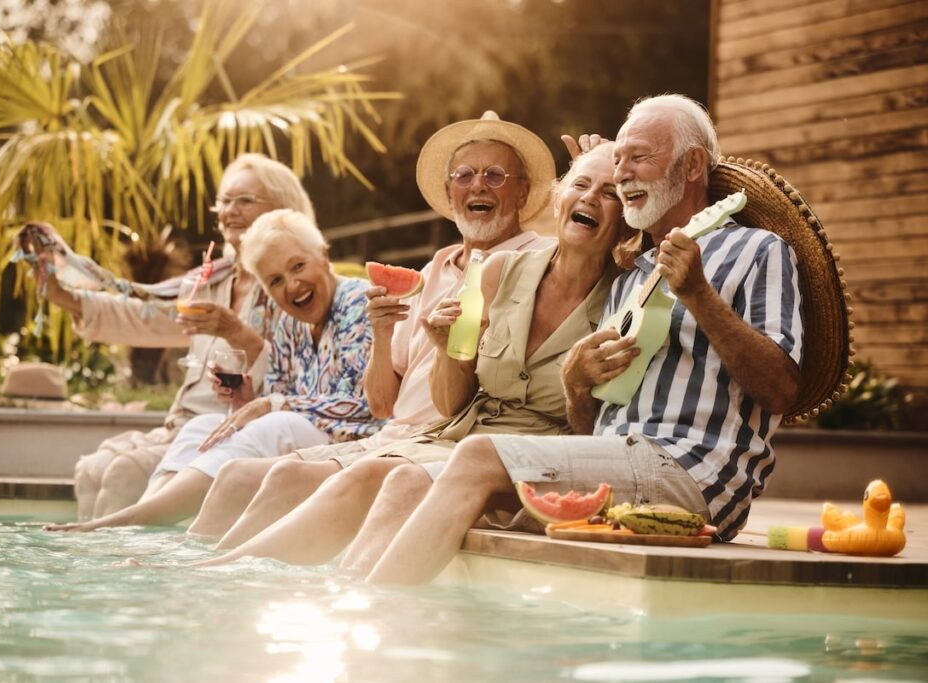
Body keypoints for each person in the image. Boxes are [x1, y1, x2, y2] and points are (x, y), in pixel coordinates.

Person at [360, 93, 811, 584]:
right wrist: (576, 385)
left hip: (691, 471)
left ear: (693, 164)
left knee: (477, 454)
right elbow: (591, 427)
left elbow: (782, 390)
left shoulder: (756, 249)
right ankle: (346, 607)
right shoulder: (631, 278)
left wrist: (699, 295)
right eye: (619, 162)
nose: (624, 173)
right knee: (407, 480)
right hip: (615, 461)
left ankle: (381, 610)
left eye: (639, 157)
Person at [191, 140, 634, 570]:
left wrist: (576, 385)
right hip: (449, 431)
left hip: (525, 452)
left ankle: (252, 578)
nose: (479, 185)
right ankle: (215, 568)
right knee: (290, 475)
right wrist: (441, 349)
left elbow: (604, 432)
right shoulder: (494, 272)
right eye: (580, 185)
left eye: (610, 191)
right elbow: (450, 401)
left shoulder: (625, 295)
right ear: (559, 198)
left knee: (379, 477)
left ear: (525, 194)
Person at [44, 209, 380, 532]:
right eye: (275, 280)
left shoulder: (356, 302)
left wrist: (273, 405)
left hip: (353, 438)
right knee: (202, 426)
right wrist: (247, 398)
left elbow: (364, 405)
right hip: (303, 433)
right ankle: (142, 517)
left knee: (278, 423)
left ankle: (133, 519)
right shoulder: (291, 322)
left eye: (298, 266)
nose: (292, 285)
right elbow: (279, 391)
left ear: (323, 255)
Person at [25, 154, 313, 520]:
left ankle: (117, 570)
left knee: (123, 473)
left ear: (283, 208)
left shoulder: (295, 286)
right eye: (224, 201)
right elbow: (144, 315)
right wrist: (66, 297)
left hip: (237, 431)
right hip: (181, 426)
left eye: (244, 201)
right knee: (91, 470)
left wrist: (236, 332)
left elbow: (304, 372)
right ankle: (93, 570)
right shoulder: (211, 281)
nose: (230, 211)